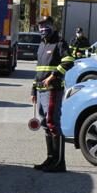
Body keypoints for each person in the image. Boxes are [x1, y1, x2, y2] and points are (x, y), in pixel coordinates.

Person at [31, 16, 71, 173]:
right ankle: (50, 158)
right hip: (41, 91)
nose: (43, 28)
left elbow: (69, 61)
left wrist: (53, 76)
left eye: (46, 25)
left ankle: (59, 162)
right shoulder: (42, 44)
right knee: (45, 125)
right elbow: (38, 70)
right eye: (40, 25)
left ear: (53, 26)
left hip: (53, 89)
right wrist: (33, 90)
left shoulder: (59, 43)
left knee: (53, 123)